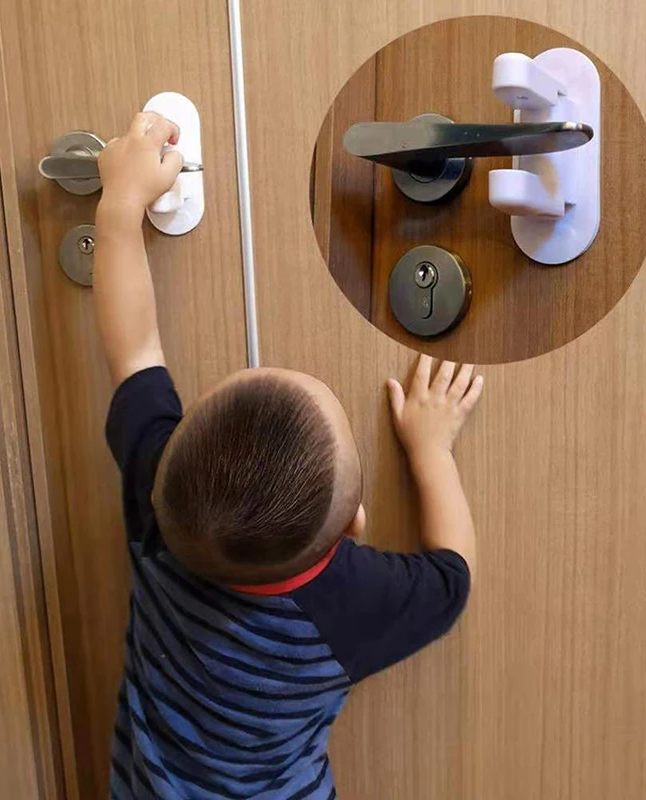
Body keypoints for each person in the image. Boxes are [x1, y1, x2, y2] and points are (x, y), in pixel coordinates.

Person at [96, 111, 484, 799]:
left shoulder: (160, 502)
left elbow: (135, 352)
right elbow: (452, 580)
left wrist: (120, 207)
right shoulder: (346, 603)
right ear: (354, 528)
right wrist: (431, 449)